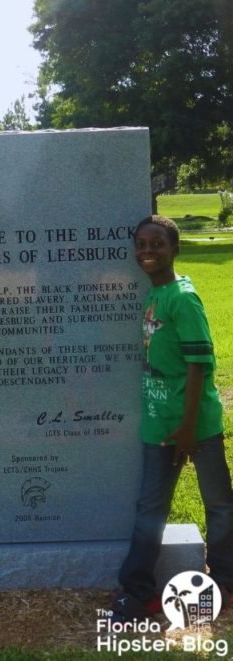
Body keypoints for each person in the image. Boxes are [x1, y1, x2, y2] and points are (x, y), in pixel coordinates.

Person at [111, 215, 231, 621]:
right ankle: (138, 591)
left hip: (197, 427)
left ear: (173, 249)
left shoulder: (182, 297)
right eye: (141, 245)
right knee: (149, 510)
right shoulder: (154, 295)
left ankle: (227, 583)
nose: (147, 252)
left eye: (156, 244)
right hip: (157, 425)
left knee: (218, 505)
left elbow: (200, 364)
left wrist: (187, 428)